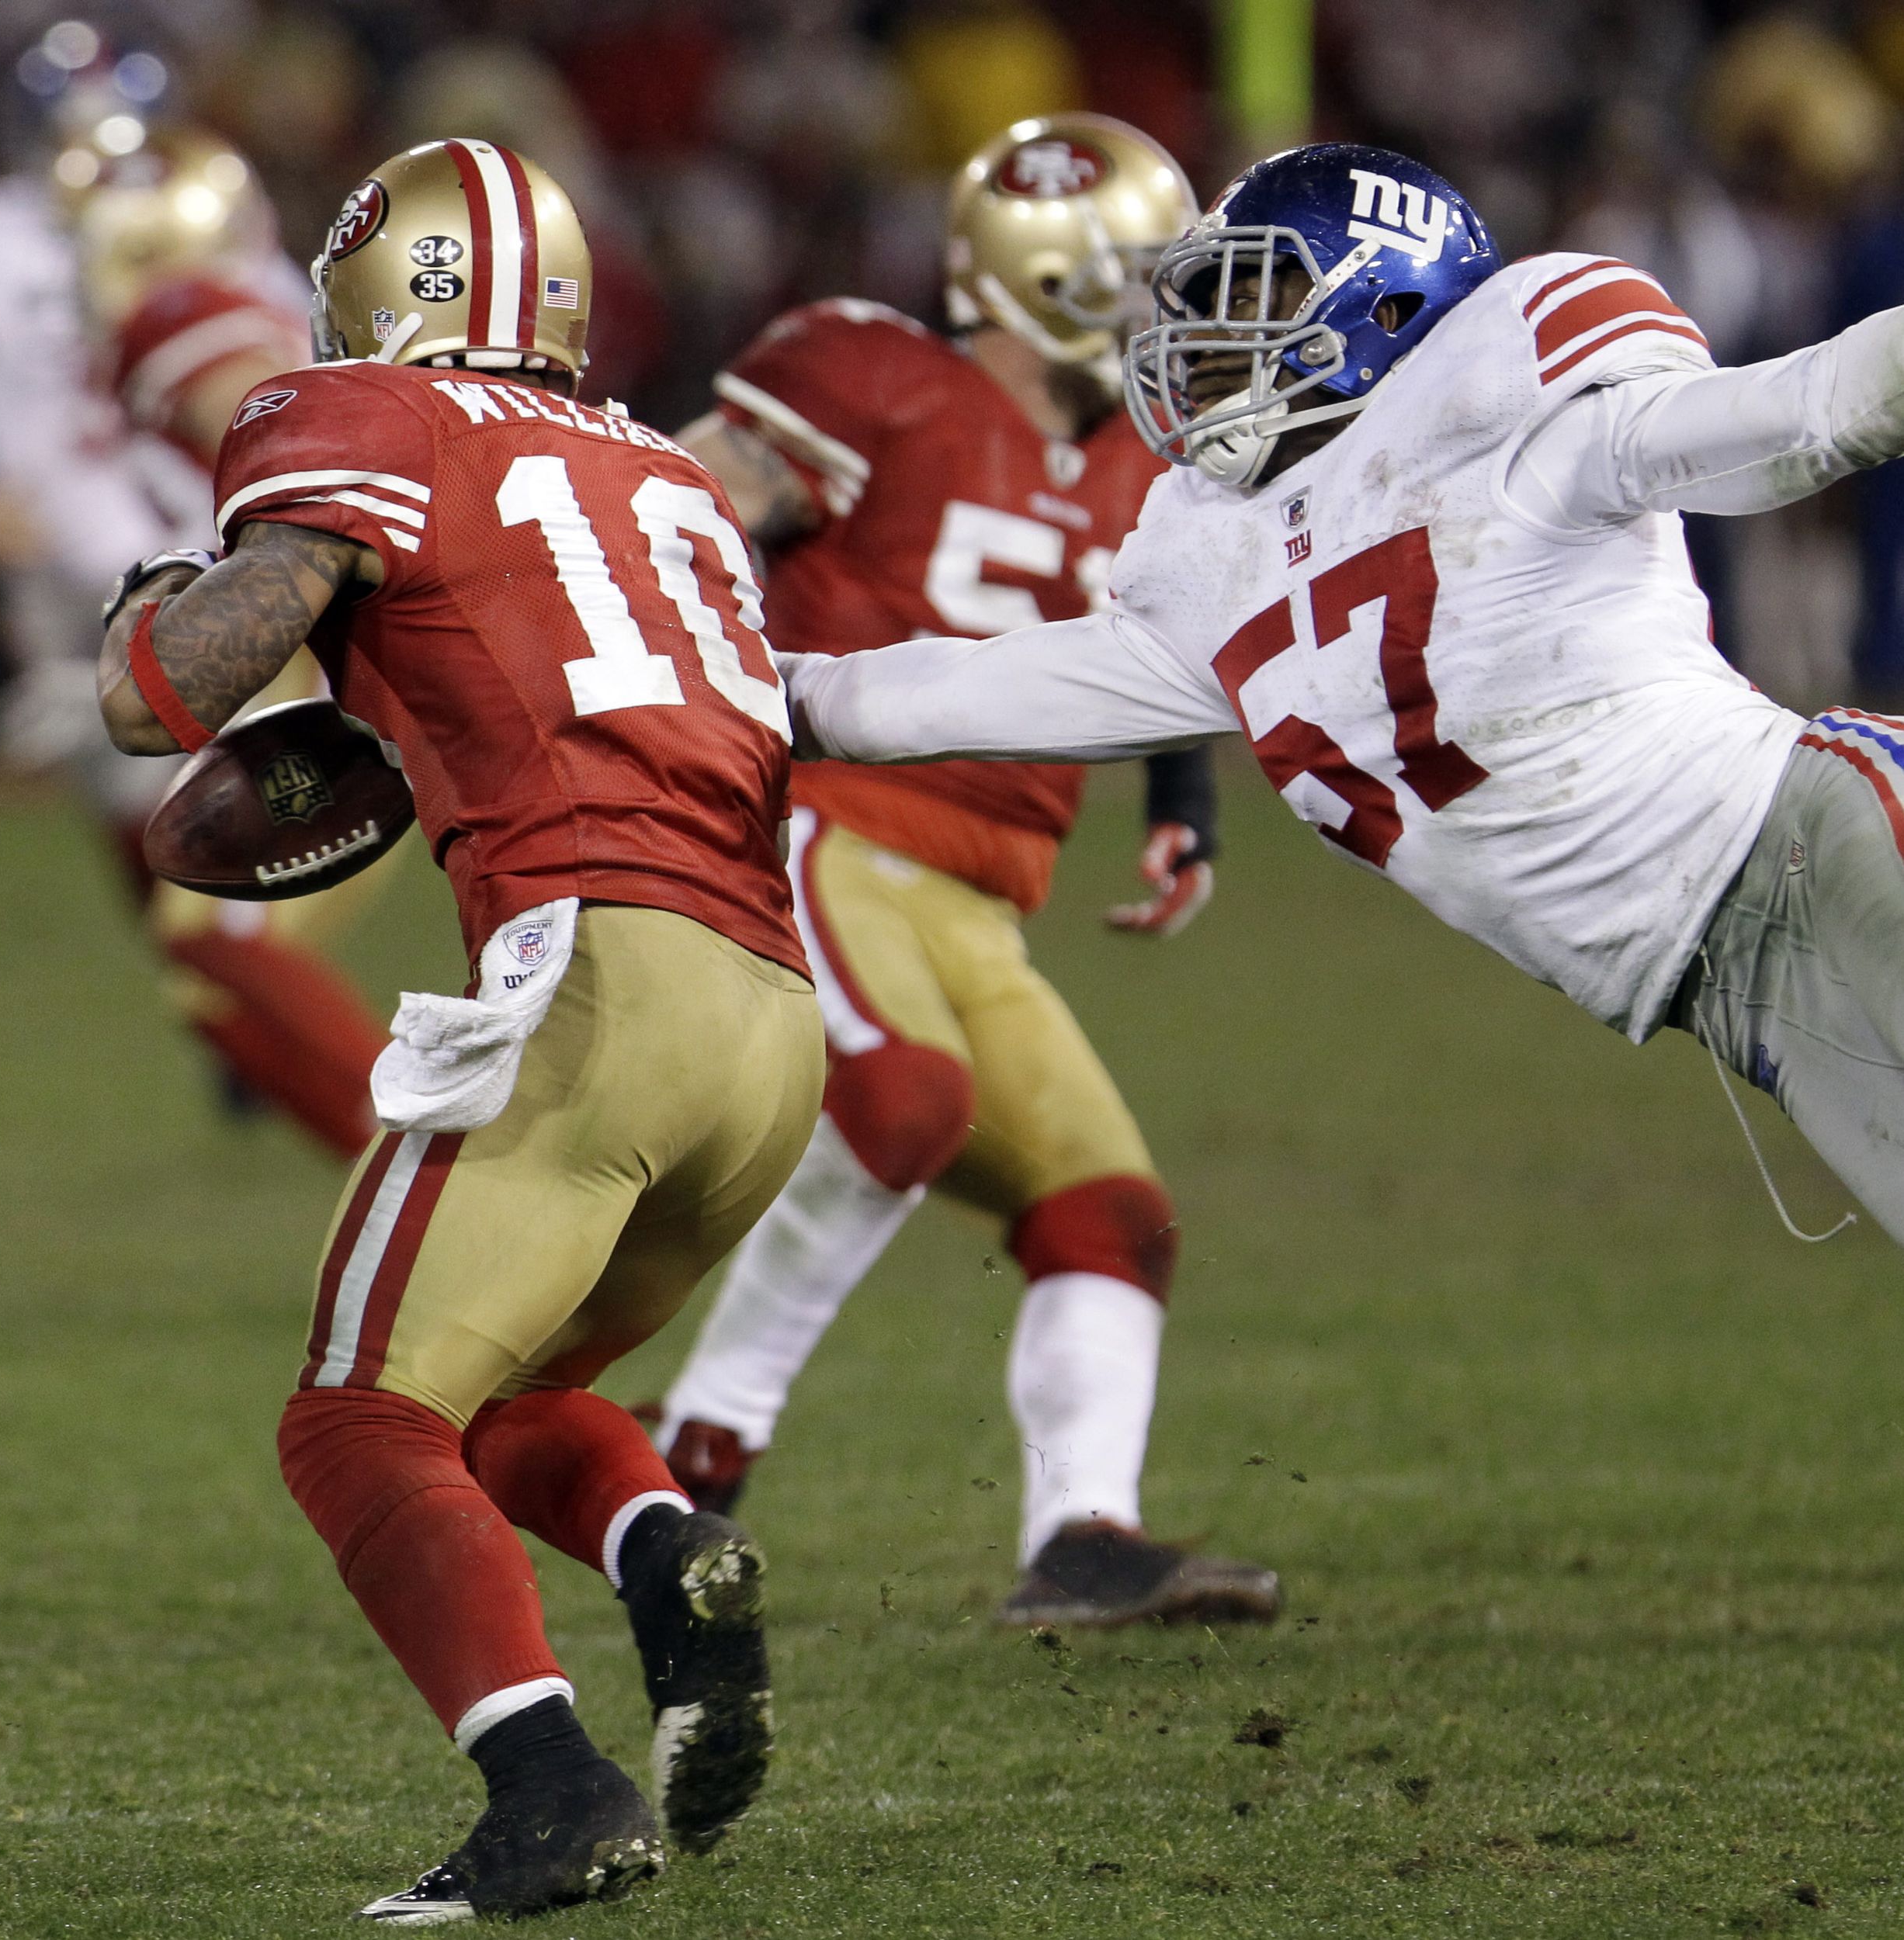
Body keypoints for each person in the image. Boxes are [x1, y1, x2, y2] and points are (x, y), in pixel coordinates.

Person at [98, 139, 824, 1925]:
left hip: (594, 977)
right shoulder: (665, 467)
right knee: (500, 1392)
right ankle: (668, 1554)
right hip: (771, 1012)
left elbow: (172, 690)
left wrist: (143, 630)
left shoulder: (357, 415)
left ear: (383, 284)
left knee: (354, 1420)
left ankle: (548, 1784)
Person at [772, 139, 1904, 1263]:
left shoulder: (1511, 391)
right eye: (1202, 302)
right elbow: (949, 695)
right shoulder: (1213, 558)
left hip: (1816, 841)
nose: (1204, 340)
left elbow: (1814, 413)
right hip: (1722, 989)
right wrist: (768, 694)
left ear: (1393, 296)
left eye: (1255, 291)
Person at [651, 113, 1281, 1630]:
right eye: (1148, 275)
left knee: (1106, 1212)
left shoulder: (1152, 459)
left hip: (984, 892)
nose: (1178, 310)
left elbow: (1158, 645)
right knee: (907, 1102)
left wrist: (1181, 792)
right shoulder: (869, 377)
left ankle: (1079, 1535)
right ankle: (692, 1453)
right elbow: (655, 517)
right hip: (824, 825)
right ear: (1050, 278)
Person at [68, 120, 390, 1158]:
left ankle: (437, 1163)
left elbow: (272, 452)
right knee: (204, 960)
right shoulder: (253, 305)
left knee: (212, 936)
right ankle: (415, 1154)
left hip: (325, 672)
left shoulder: (185, 314)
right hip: (340, 661)